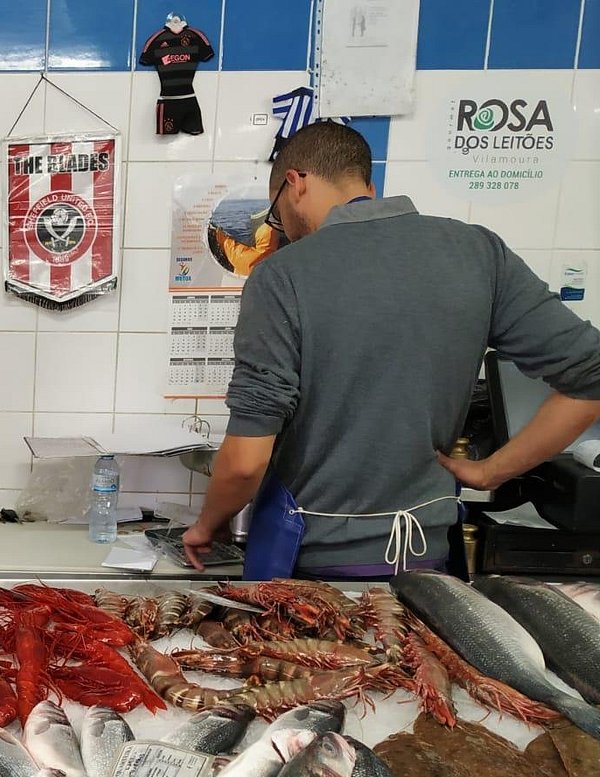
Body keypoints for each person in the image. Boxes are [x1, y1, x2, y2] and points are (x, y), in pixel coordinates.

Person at [183, 121, 600, 578]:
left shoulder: (281, 276)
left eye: (277, 217)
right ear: (368, 185)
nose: (284, 232)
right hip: (428, 558)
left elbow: (245, 462)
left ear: (295, 183)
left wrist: (209, 524)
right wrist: (492, 471)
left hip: (309, 569)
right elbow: (590, 376)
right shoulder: (478, 252)